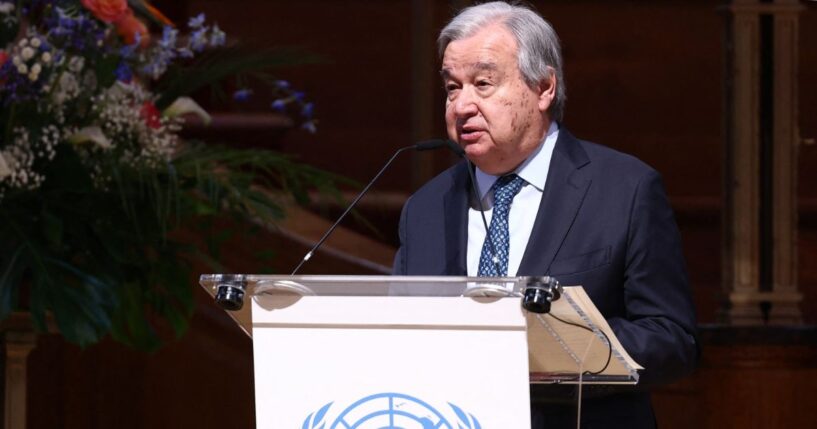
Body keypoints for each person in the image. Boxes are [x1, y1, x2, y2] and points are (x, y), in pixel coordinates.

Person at [392, 1, 698, 428]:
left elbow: (672, 340)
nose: (461, 106)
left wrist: (557, 350)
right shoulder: (424, 208)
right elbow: (395, 339)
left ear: (544, 88)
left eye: (482, 83)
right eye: (451, 88)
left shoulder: (624, 190)